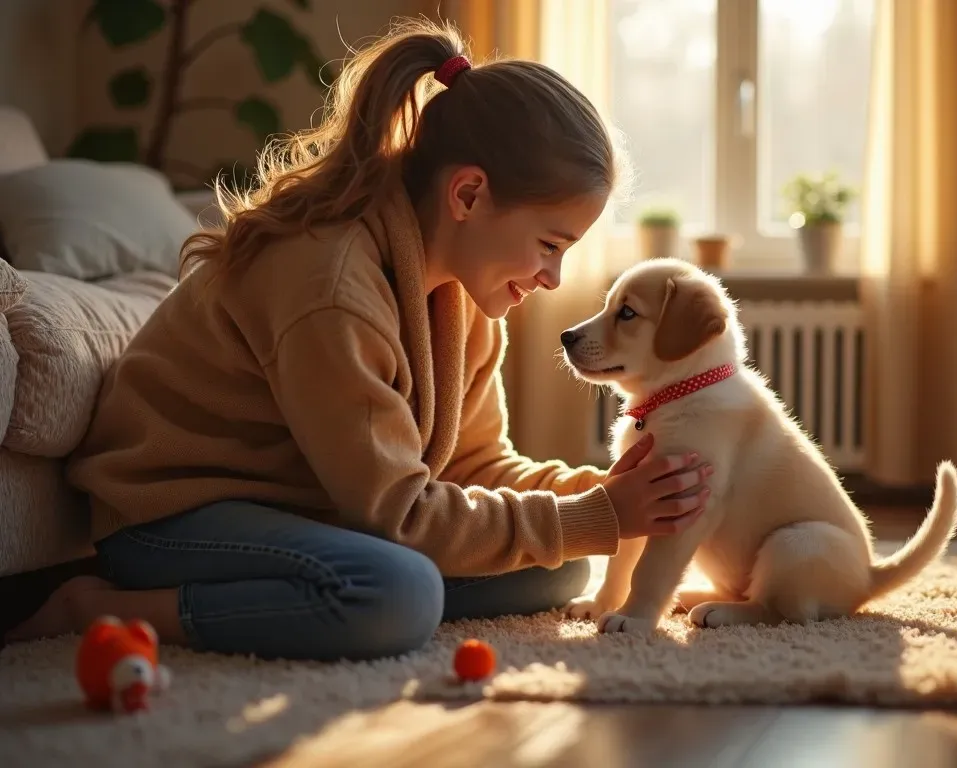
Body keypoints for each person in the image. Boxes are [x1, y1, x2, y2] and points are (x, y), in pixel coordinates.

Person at [5, 19, 712, 660]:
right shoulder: (331, 284)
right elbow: (401, 512)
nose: (553, 279)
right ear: (468, 196)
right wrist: (595, 515)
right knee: (397, 594)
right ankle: (99, 606)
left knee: (561, 561)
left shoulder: (462, 297)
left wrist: (604, 497)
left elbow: (474, 463)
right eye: (549, 245)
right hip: (172, 520)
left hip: (308, 511)